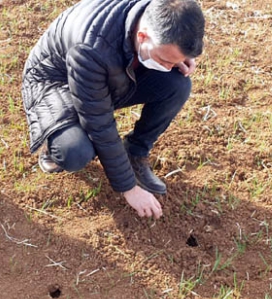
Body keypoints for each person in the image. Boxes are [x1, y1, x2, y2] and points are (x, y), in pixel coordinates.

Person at [22, 0, 204, 219]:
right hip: (57, 81)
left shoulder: (160, 12)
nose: (168, 67)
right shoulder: (89, 47)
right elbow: (99, 122)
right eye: (164, 59)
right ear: (143, 36)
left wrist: (178, 57)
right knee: (75, 151)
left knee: (177, 84)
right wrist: (129, 188)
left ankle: (134, 152)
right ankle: (54, 146)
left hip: (112, 70)